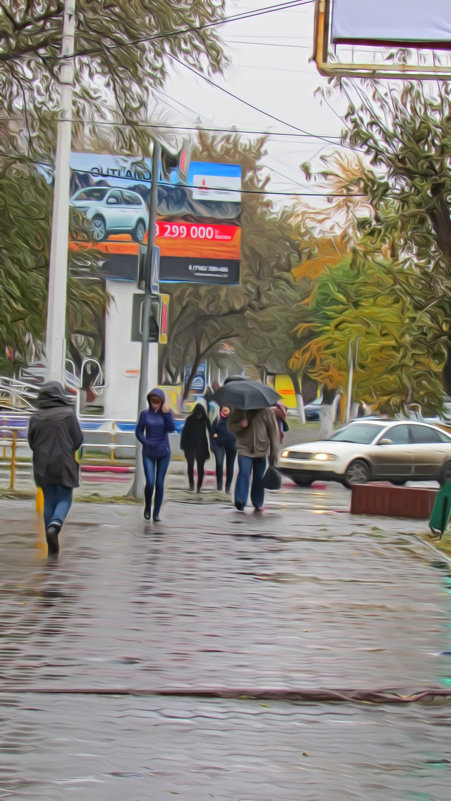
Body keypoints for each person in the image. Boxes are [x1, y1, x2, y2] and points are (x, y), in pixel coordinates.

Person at [28, 381, 84, 556]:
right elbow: (78, 439)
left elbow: (32, 441)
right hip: (64, 462)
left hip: (42, 463)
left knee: (49, 499)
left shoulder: (36, 416)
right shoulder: (68, 414)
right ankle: (55, 525)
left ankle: (50, 539)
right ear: (59, 394)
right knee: (65, 498)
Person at [228, 406, 280, 512]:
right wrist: (240, 425)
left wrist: (274, 452)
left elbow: (274, 433)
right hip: (244, 449)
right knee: (244, 473)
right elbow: (231, 427)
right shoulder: (240, 410)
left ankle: (258, 502)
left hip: (261, 450)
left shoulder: (267, 412)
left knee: (258, 478)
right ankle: (240, 501)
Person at [135, 388, 175, 522]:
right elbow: (139, 432)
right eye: (153, 401)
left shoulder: (166, 413)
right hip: (148, 452)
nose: (155, 404)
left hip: (164, 452)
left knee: (159, 483)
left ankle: (156, 512)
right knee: (150, 482)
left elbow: (171, 428)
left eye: (157, 402)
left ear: (162, 401)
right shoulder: (145, 414)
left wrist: (167, 413)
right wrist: (146, 442)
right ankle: (147, 506)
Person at [180, 403, 211, 492]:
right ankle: (191, 485)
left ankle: (198, 487)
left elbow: (211, 431)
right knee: (190, 466)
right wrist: (183, 445)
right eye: (197, 415)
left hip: (201, 446)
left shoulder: (205, 419)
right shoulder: (190, 419)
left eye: (200, 415)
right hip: (189, 446)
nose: (199, 416)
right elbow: (184, 433)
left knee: (200, 467)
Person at [211, 405, 236, 493]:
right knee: (219, 464)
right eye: (223, 409)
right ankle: (219, 486)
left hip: (232, 446)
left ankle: (228, 487)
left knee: (230, 466)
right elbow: (212, 433)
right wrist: (214, 439)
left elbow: (238, 433)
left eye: (227, 409)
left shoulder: (234, 421)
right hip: (219, 445)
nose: (225, 410)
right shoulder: (217, 420)